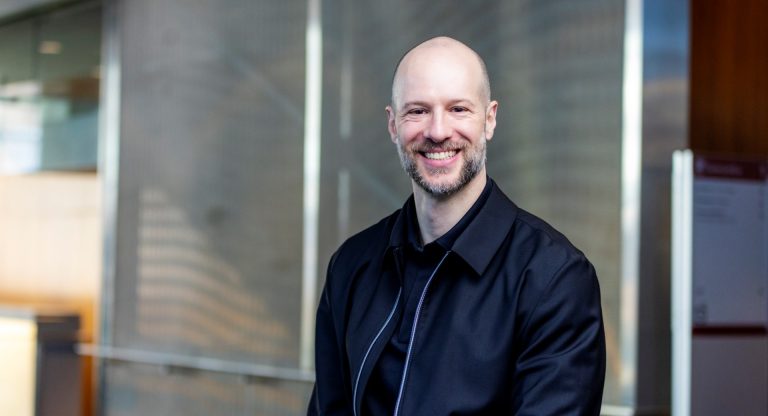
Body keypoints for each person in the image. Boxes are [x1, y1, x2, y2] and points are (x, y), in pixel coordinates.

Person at [308, 36, 605, 415]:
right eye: (417, 111)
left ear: (490, 119)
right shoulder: (352, 265)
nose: (437, 131)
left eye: (458, 109)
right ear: (392, 125)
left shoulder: (554, 280)